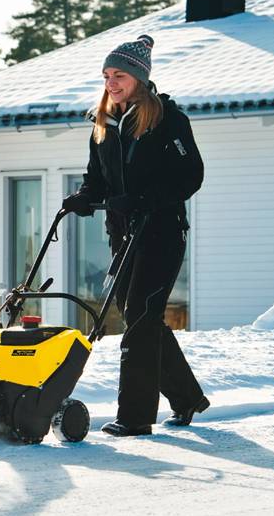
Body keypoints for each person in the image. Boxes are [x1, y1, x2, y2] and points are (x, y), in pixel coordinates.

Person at [62, 34, 209, 437]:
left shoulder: (167, 119)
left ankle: (136, 416)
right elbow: (97, 178)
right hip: (123, 235)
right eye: (107, 75)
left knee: (141, 320)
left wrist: (143, 200)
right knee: (140, 316)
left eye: (120, 75)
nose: (111, 82)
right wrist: (83, 197)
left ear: (140, 78)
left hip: (161, 233)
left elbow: (190, 176)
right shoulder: (104, 121)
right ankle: (187, 397)